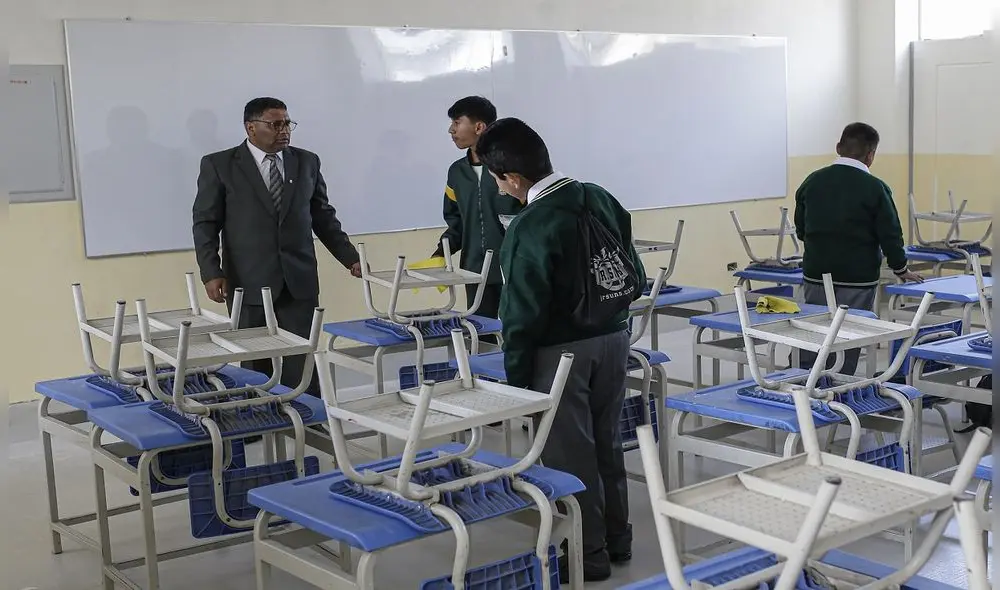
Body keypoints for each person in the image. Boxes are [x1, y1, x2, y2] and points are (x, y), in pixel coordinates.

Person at [476, 117, 645, 582]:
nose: (500, 189)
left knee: (570, 454)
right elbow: (637, 274)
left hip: (560, 354)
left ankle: (586, 555)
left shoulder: (530, 225)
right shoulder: (600, 196)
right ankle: (617, 538)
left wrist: (517, 381)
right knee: (608, 442)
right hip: (615, 340)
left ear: (512, 178)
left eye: (496, 180)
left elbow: (521, 316)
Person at [192, 97, 361, 395]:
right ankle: (259, 421)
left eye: (287, 123)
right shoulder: (220, 165)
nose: (284, 130)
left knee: (301, 358)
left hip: (298, 279)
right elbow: (205, 223)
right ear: (251, 128)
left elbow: (322, 216)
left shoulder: (306, 161)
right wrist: (210, 271)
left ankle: (309, 421)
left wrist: (350, 257)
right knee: (255, 361)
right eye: (275, 124)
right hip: (247, 279)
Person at [793, 122, 922, 375]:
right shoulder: (876, 188)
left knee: (814, 327)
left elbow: (801, 228)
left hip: (816, 273)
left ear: (838, 147)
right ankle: (838, 389)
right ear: (871, 155)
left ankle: (801, 381)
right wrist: (900, 267)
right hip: (857, 279)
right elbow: (890, 234)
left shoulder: (812, 181)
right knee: (849, 334)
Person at [433, 96, 523, 322]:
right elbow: (457, 224)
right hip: (474, 271)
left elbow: (531, 217)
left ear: (479, 127)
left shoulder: (512, 167)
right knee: (481, 335)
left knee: (518, 332)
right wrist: (439, 254)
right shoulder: (457, 173)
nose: (450, 130)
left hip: (515, 269)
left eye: (456, 122)